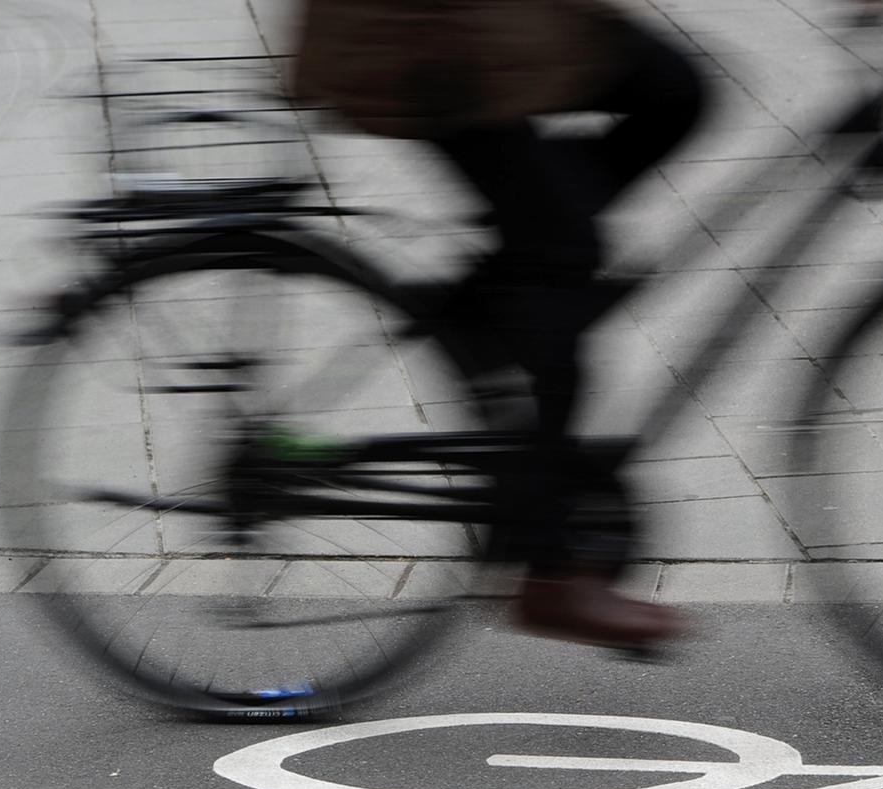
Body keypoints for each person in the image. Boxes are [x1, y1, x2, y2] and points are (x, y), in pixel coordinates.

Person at [291, 0, 709, 649]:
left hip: (506, 28)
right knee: (559, 257)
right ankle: (549, 571)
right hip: (431, 37)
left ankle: (497, 299)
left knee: (675, 94)